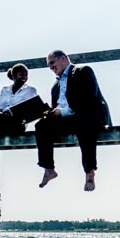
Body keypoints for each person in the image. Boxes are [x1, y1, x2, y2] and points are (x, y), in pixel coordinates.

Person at [37, 49, 111, 191]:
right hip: (67, 118)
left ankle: (89, 172)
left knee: (83, 123)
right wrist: (50, 112)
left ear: (63, 58)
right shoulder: (55, 86)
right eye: (48, 65)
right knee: (42, 125)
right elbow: (56, 106)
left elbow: (88, 99)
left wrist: (62, 112)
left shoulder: (83, 71)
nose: (51, 67)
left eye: (52, 63)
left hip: (89, 115)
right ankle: (48, 169)